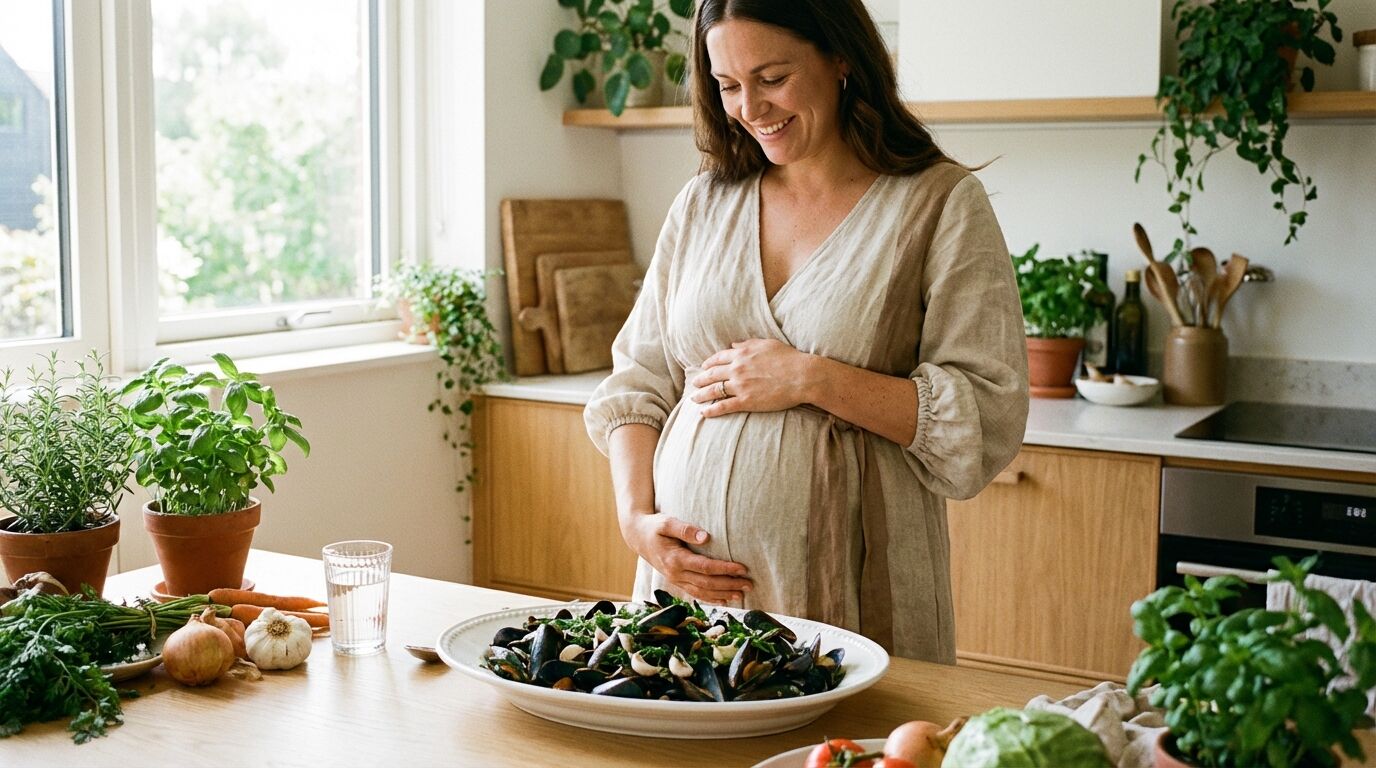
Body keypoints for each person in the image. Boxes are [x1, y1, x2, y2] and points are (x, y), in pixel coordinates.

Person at [582, 0, 1028, 662]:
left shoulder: (937, 204)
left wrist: (811, 378)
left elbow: (986, 412)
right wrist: (636, 520)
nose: (751, 108)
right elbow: (639, 378)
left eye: (772, 78)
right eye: (728, 86)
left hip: (852, 598)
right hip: (686, 598)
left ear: (840, 57)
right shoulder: (705, 201)